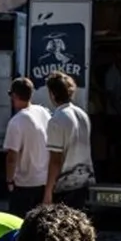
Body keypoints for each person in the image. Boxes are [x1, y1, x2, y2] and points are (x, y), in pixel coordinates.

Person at [43, 71, 94, 210]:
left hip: (65, 185)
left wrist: (48, 192)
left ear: (52, 94)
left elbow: (55, 160)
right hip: (83, 180)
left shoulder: (57, 119)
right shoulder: (82, 114)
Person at [3, 77, 50, 218]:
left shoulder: (16, 121)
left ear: (14, 96)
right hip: (44, 180)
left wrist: (9, 181)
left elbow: (12, 156)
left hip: (24, 183)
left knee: (19, 224)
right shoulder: (43, 112)